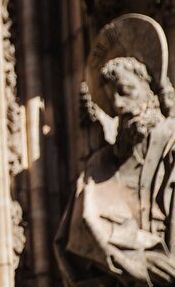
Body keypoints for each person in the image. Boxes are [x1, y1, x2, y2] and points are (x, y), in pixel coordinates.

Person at [56, 56, 175, 286]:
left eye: (125, 91)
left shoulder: (171, 142)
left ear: (147, 85)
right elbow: (74, 240)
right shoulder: (99, 165)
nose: (119, 105)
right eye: (112, 98)